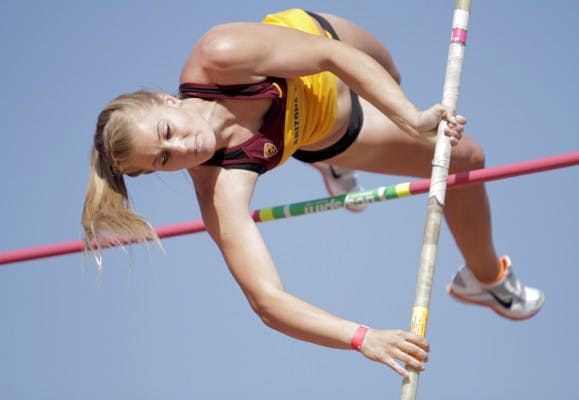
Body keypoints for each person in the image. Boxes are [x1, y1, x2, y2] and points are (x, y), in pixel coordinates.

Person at [82, 8, 544, 378]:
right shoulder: (219, 187)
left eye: (167, 131)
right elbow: (268, 302)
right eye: (164, 159)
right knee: (466, 158)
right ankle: (485, 280)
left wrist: (409, 116)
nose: (182, 148)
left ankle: (339, 155)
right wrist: (363, 337)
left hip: (324, 43)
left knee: (392, 75)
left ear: (167, 100)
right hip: (332, 128)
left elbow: (332, 58)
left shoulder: (219, 55)